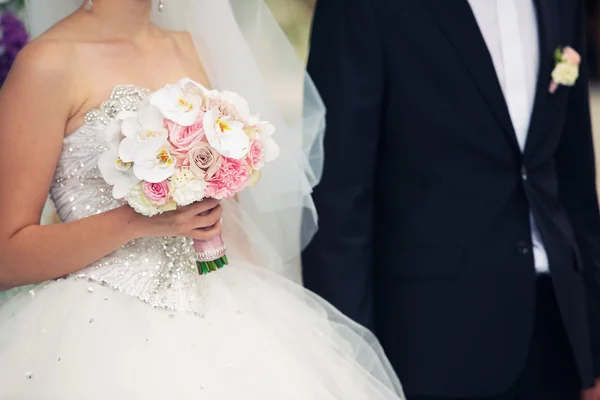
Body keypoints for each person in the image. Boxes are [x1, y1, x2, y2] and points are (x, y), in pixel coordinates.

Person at [0, 0, 406, 398]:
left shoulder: (193, 49)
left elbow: (229, 220)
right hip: (92, 330)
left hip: (219, 311)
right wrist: (138, 222)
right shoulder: (48, 64)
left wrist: (260, 318)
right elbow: (8, 254)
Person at [303, 0, 600, 399]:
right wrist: (351, 367)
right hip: (428, 345)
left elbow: (575, 179)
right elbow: (338, 199)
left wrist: (592, 350)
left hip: (557, 334)